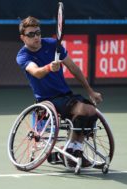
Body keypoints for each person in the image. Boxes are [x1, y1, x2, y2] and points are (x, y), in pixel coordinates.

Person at [16, 16, 103, 167]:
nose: (36, 37)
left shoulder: (52, 44)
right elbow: (36, 72)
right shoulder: (23, 56)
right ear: (23, 37)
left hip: (66, 96)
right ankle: (70, 151)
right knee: (84, 109)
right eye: (31, 34)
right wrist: (49, 67)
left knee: (91, 111)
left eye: (38, 32)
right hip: (48, 101)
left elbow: (73, 68)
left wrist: (90, 91)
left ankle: (73, 149)